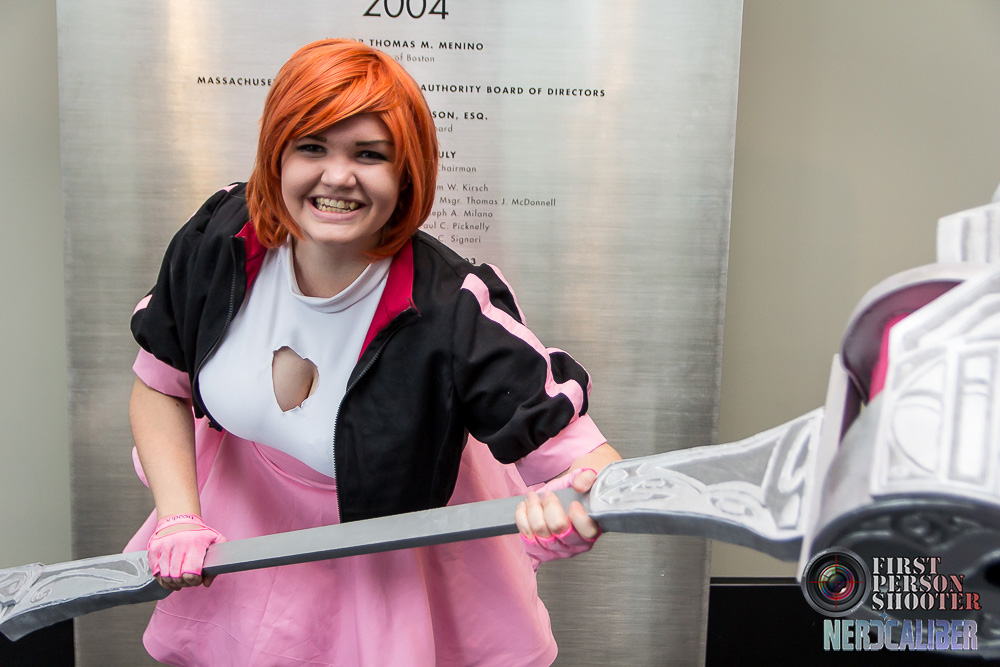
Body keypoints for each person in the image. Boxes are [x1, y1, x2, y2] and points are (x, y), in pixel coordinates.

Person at [125, 38, 620, 666]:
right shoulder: (221, 237)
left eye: (369, 154)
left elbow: (592, 467)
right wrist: (178, 517)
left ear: (406, 172)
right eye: (311, 147)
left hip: (388, 558)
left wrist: (575, 508)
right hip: (241, 530)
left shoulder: (453, 309)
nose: (337, 176)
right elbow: (160, 384)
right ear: (276, 155)